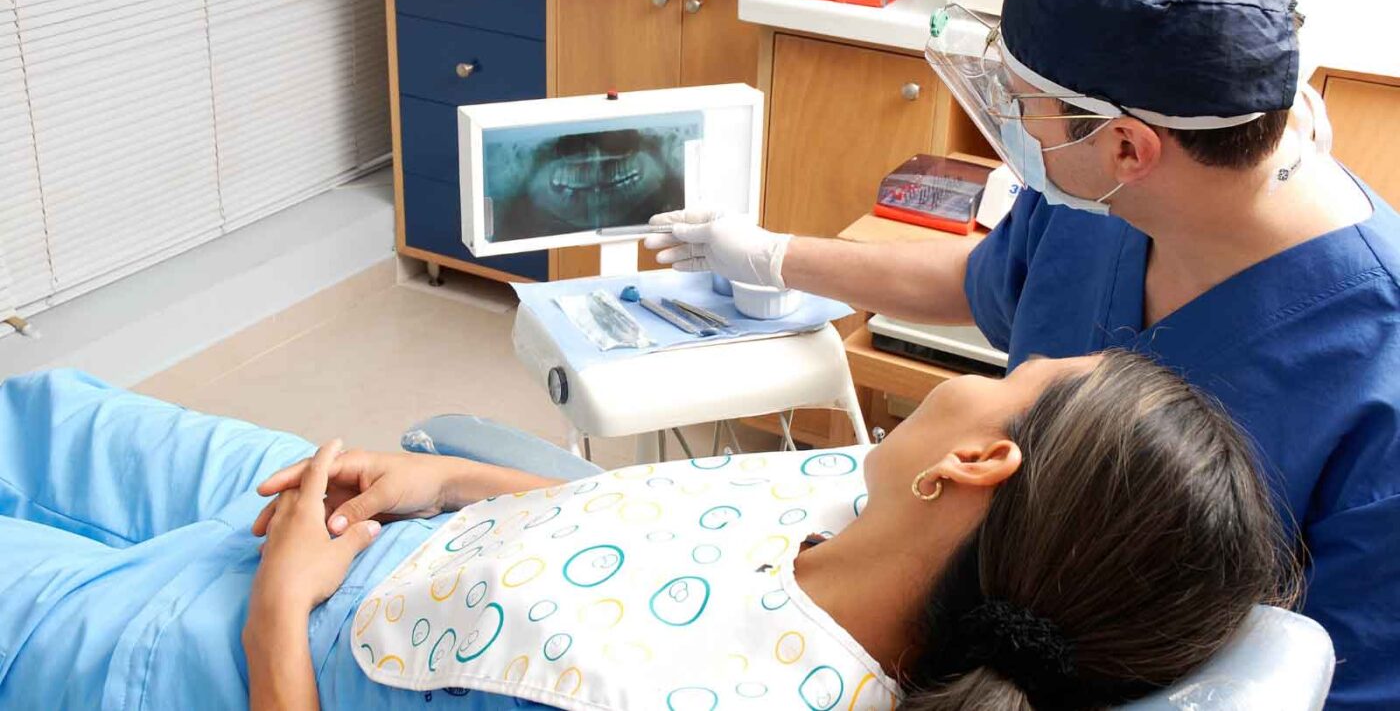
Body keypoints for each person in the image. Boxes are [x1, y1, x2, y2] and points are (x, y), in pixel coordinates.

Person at [645, 0, 1400, 706]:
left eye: (1019, 101)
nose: (1006, 123)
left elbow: (1336, 682)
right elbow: (985, 284)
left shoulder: (1378, 368)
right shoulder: (1097, 203)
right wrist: (772, 257)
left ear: (1129, 148)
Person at [0, 353, 1295, 709]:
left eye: (1022, 370)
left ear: (979, 459)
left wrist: (279, 603)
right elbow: (642, 528)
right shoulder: (865, 509)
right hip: (378, 524)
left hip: (245, 649)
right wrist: (437, 481)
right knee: (50, 418)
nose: (998, 366)